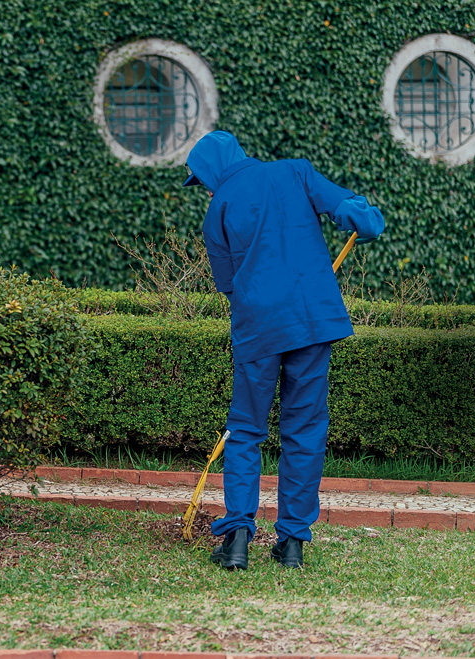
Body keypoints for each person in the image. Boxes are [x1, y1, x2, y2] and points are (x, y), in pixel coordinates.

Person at [182, 130, 384, 570]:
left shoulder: (217, 210)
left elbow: (228, 286)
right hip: (311, 322)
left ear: (214, 171)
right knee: (305, 430)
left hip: (258, 330)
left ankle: (237, 538)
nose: (207, 190)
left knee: (245, 430)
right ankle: (291, 542)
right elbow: (354, 212)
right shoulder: (296, 171)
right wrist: (367, 220)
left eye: (204, 181)